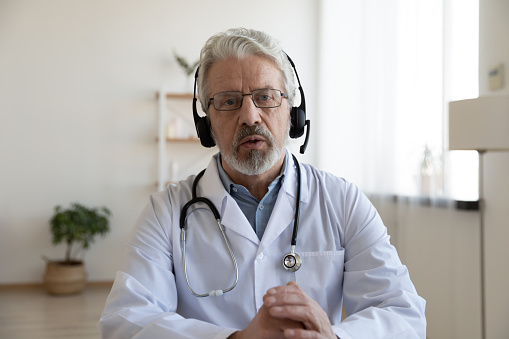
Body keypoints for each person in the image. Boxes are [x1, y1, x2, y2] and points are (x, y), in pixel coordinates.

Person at [99, 28, 426, 339]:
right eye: (228, 101)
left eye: (266, 97)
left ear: (292, 113)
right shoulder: (166, 211)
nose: (250, 116)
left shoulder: (342, 201)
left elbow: (402, 313)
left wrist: (334, 336)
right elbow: (126, 322)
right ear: (206, 123)